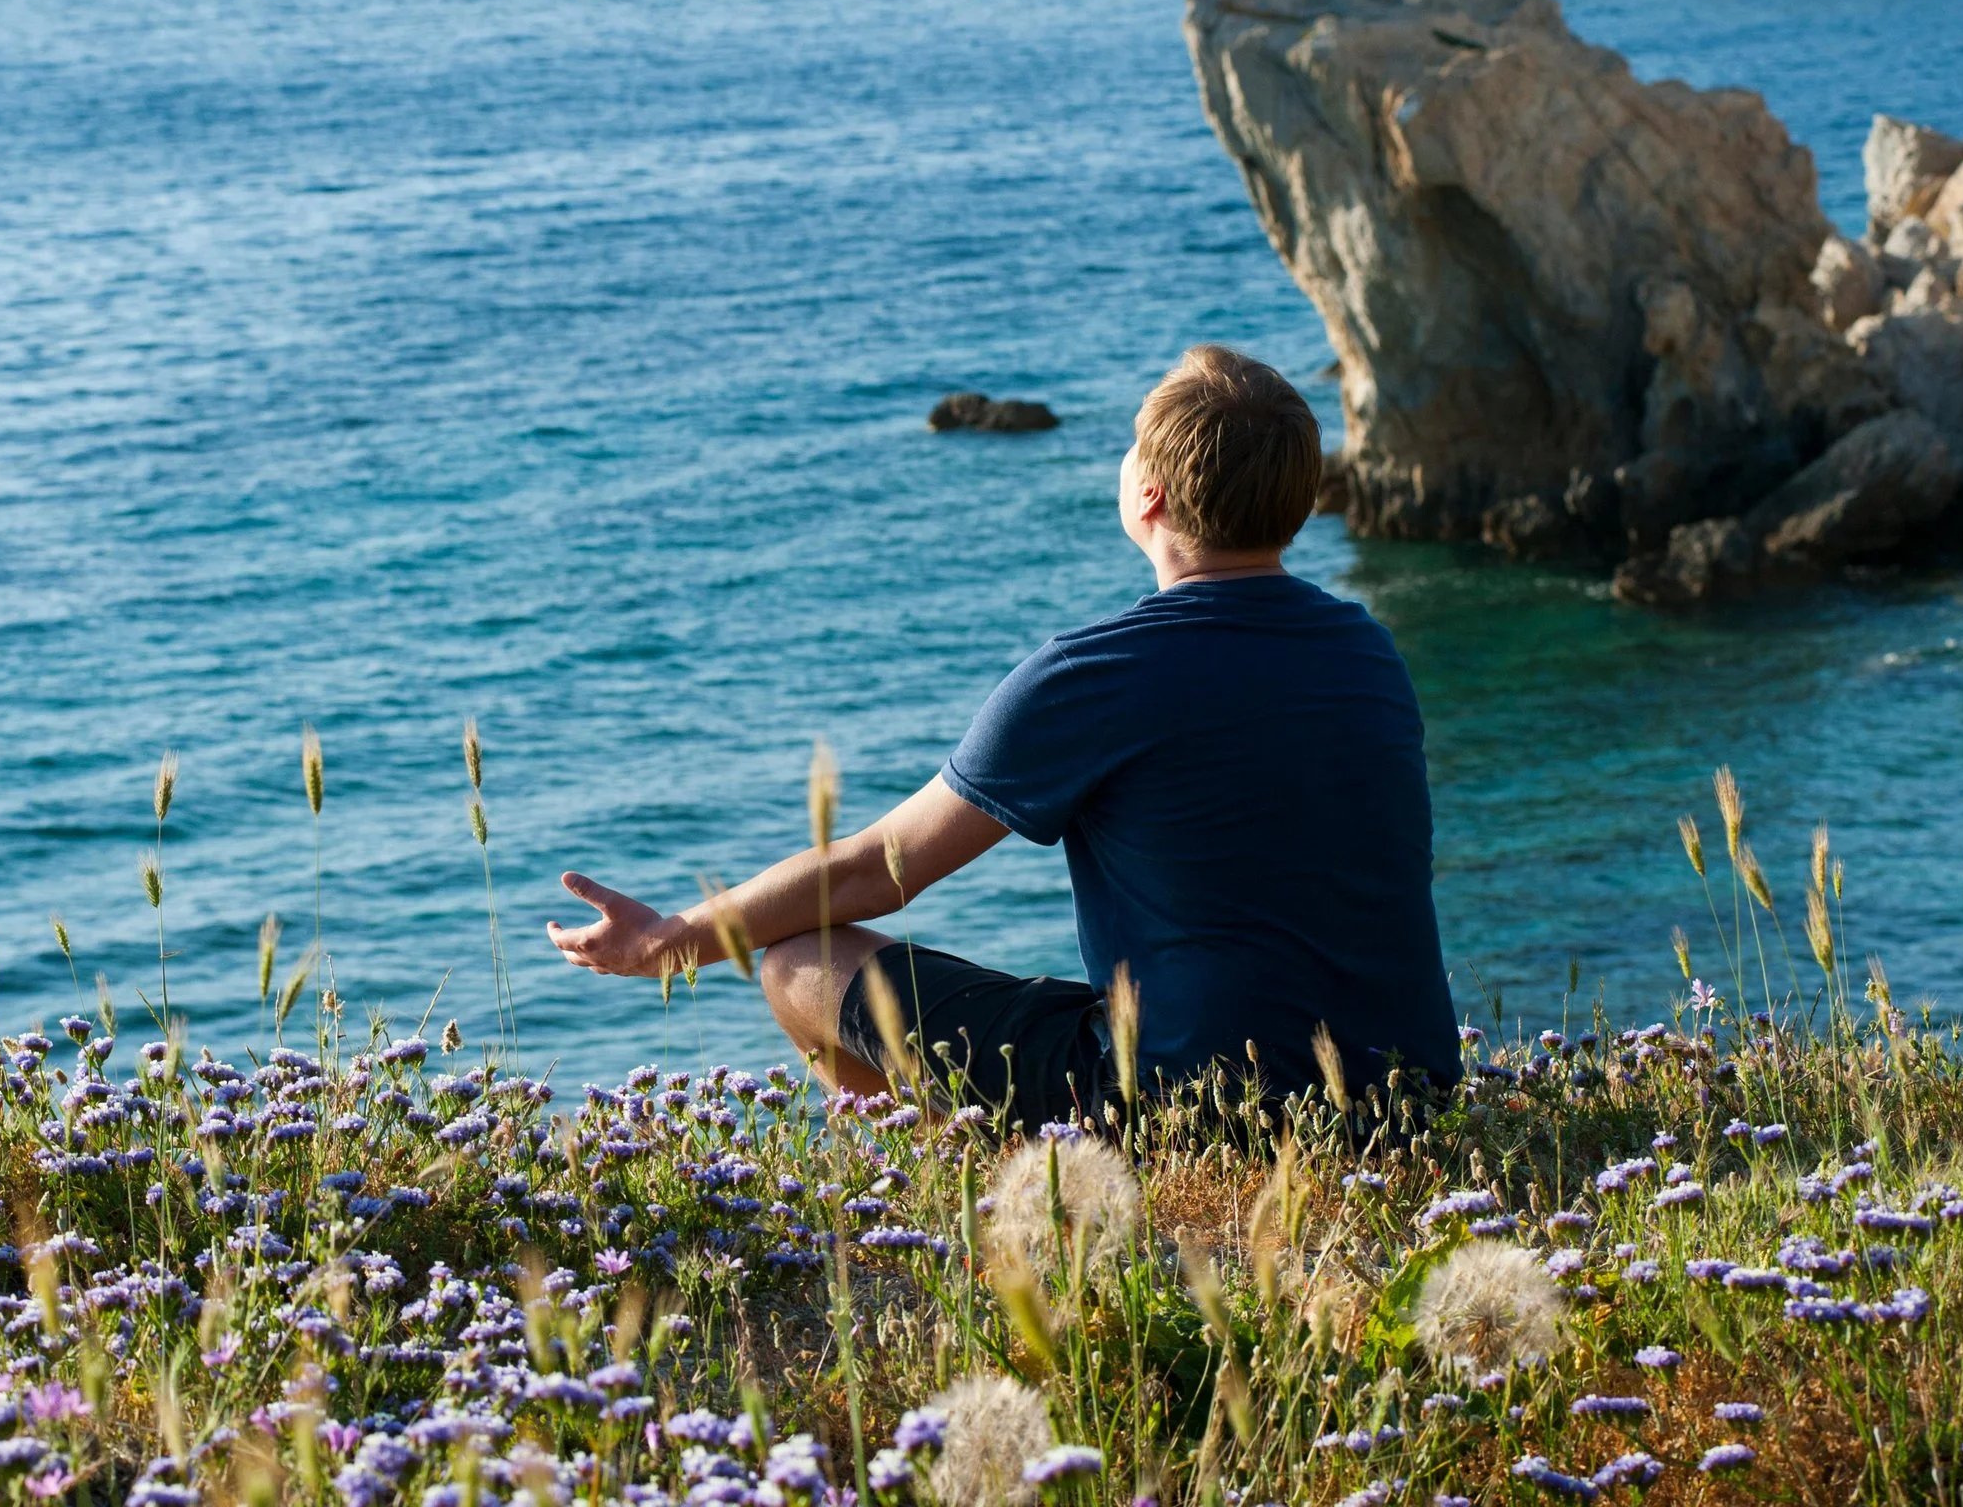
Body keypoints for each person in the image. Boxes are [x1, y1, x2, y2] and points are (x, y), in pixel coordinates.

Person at [547, 345, 1459, 1128]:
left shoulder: (1099, 673)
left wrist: (668, 940)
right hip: (1407, 1095)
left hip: (1195, 1104)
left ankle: (935, 1191)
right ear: (1299, 501)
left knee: (799, 961)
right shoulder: (1366, 650)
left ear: (1147, 495)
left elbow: (878, 870)